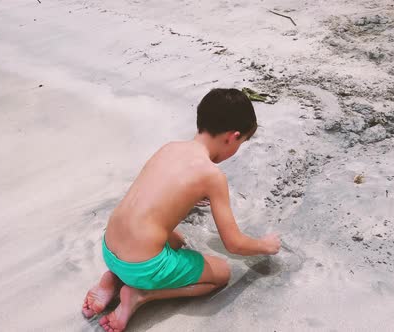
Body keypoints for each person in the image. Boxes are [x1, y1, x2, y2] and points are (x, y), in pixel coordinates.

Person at [83, 88, 281, 332]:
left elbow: (156, 193)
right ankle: (140, 295)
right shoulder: (212, 176)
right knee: (221, 273)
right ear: (233, 136)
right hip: (141, 267)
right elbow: (234, 244)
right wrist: (266, 246)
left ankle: (112, 278)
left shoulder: (169, 148)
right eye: (240, 143)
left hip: (109, 248)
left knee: (177, 240)